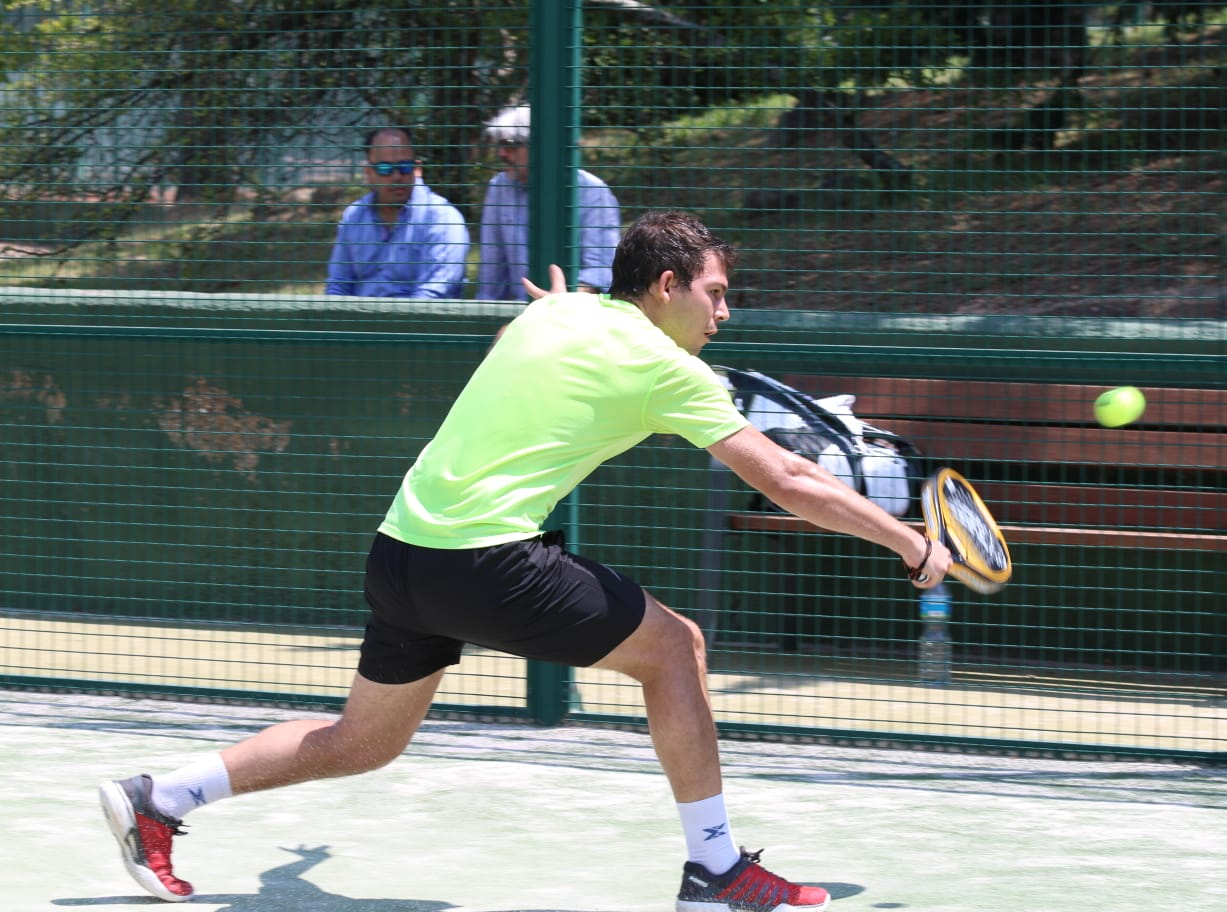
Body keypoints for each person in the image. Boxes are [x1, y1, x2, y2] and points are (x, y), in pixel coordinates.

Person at [98, 210, 952, 911]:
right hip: (486, 560)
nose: (724, 315)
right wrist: (909, 542)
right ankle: (718, 873)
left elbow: (539, 319)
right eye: (715, 295)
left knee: (362, 741)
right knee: (677, 648)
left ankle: (161, 798)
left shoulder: (560, 310)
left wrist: (553, 303)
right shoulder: (669, 367)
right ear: (666, 287)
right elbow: (791, 477)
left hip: (401, 553)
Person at [475, 104, 620, 301]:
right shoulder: (499, 189)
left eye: (510, 145)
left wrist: (558, 306)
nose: (501, 153)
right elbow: (492, 273)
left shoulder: (592, 192)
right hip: (518, 317)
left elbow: (599, 272)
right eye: (499, 145)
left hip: (576, 315)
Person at [325, 126, 469, 299]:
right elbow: (338, 285)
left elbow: (433, 296)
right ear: (369, 173)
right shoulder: (354, 216)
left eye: (404, 167)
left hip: (419, 323)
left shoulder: (443, 219)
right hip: (357, 323)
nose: (396, 176)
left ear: (417, 169)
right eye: (385, 169)